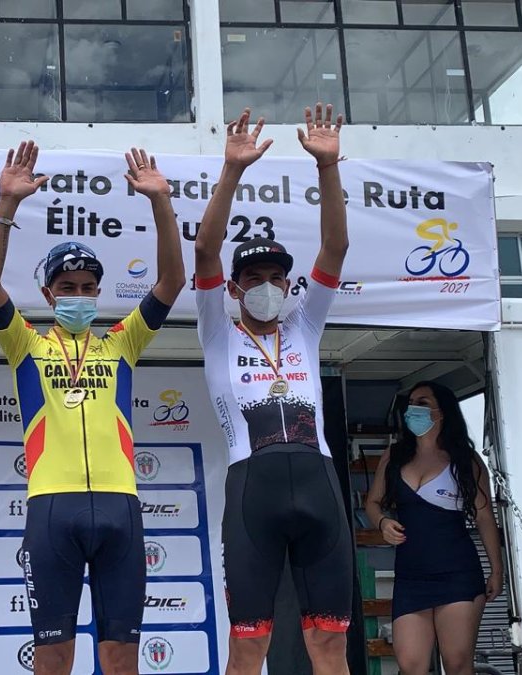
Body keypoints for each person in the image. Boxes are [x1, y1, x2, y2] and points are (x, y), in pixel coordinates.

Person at [0, 143, 185, 675]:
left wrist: (160, 202)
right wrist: (6, 206)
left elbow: (171, 283)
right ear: (48, 294)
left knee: (120, 658)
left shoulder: (121, 342)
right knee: (53, 657)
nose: (79, 296)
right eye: (67, 287)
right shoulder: (27, 344)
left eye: (88, 288)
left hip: (121, 508)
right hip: (51, 510)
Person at [192, 104, 351, 675]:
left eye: (275, 278)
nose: (265, 287)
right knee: (248, 644)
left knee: (330, 644)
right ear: (234, 288)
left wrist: (327, 168)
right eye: (253, 279)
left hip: (319, 484)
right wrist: (231, 171)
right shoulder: (217, 331)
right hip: (250, 489)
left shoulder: (304, 327)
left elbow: (334, 249)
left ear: (290, 285)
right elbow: (205, 251)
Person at [364, 382, 503, 675]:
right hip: (411, 575)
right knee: (410, 663)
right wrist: (382, 522)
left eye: (423, 403)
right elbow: (373, 503)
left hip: (457, 573)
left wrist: (497, 570)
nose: (414, 408)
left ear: (442, 412)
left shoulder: (466, 460)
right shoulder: (394, 456)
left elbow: (484, 517)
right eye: (411, 402)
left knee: (457, 662)